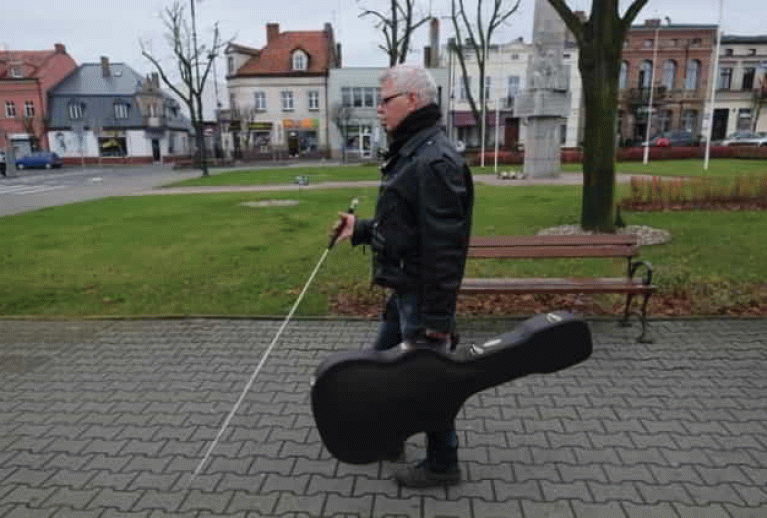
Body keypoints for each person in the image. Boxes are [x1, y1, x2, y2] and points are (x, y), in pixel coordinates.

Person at [333, 64, 474, 487]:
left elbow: (444, 250)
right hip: (404, 290)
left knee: (426, 380)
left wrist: (436, 323)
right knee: (381, 367)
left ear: (413, 100)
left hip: (421, 296)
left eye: (385, 100)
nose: (378, 110)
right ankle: (390, 435)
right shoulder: (415, 150)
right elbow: (407, 227)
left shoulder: (435, 161)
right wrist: (359, 230)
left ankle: (443, 462)